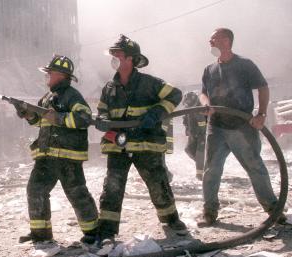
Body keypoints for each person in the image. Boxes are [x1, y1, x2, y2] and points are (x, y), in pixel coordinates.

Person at [96, 34, 187, 245]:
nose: (114, 58)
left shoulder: (150, 83)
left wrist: (157, 111)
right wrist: (102, 120)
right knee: (112, 188)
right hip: (118, 145)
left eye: (117, 55)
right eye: (113, 55)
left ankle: (171, 221)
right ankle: (107, 230)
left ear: (130, 59)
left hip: (147, 145)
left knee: (158, 184)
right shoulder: (109, 88)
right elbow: (102, 110)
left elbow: (175, 94)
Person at [199, 28, 287, 225]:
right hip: (216, 127)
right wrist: (205, 103)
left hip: (242, 126)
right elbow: (203, 92)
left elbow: (263, 87)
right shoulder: (209, 69)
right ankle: (209, 211)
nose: (210, 41)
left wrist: (262, 114)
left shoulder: (244, 65)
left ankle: (273, 208)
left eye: (214, 38)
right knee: (211, 170)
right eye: (210, 38)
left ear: (227, 41)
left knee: (255, 167)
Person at [15, 55, 99, 244]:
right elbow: (39, 121)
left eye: (50, 74)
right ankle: (40, 234)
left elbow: (84, 118)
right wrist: (28, 114)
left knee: (77, 194)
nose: (47, 77)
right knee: (35, 190)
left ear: (61, 75)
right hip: (46, 156)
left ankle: (93, 233)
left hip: (67, 157)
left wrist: (59, 118)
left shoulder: (72, 96)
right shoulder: (47, 98)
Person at [182, 91, 206, 180]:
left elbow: (203, 123)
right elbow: (185, 120)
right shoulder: (188, 108)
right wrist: (188, 130)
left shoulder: (200, 107)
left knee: (200, 153)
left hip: (202, 134)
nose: (187, 104)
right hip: (193, 133)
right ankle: (206, 163)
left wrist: (202, 135)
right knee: (188, 150)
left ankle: (200, 174)